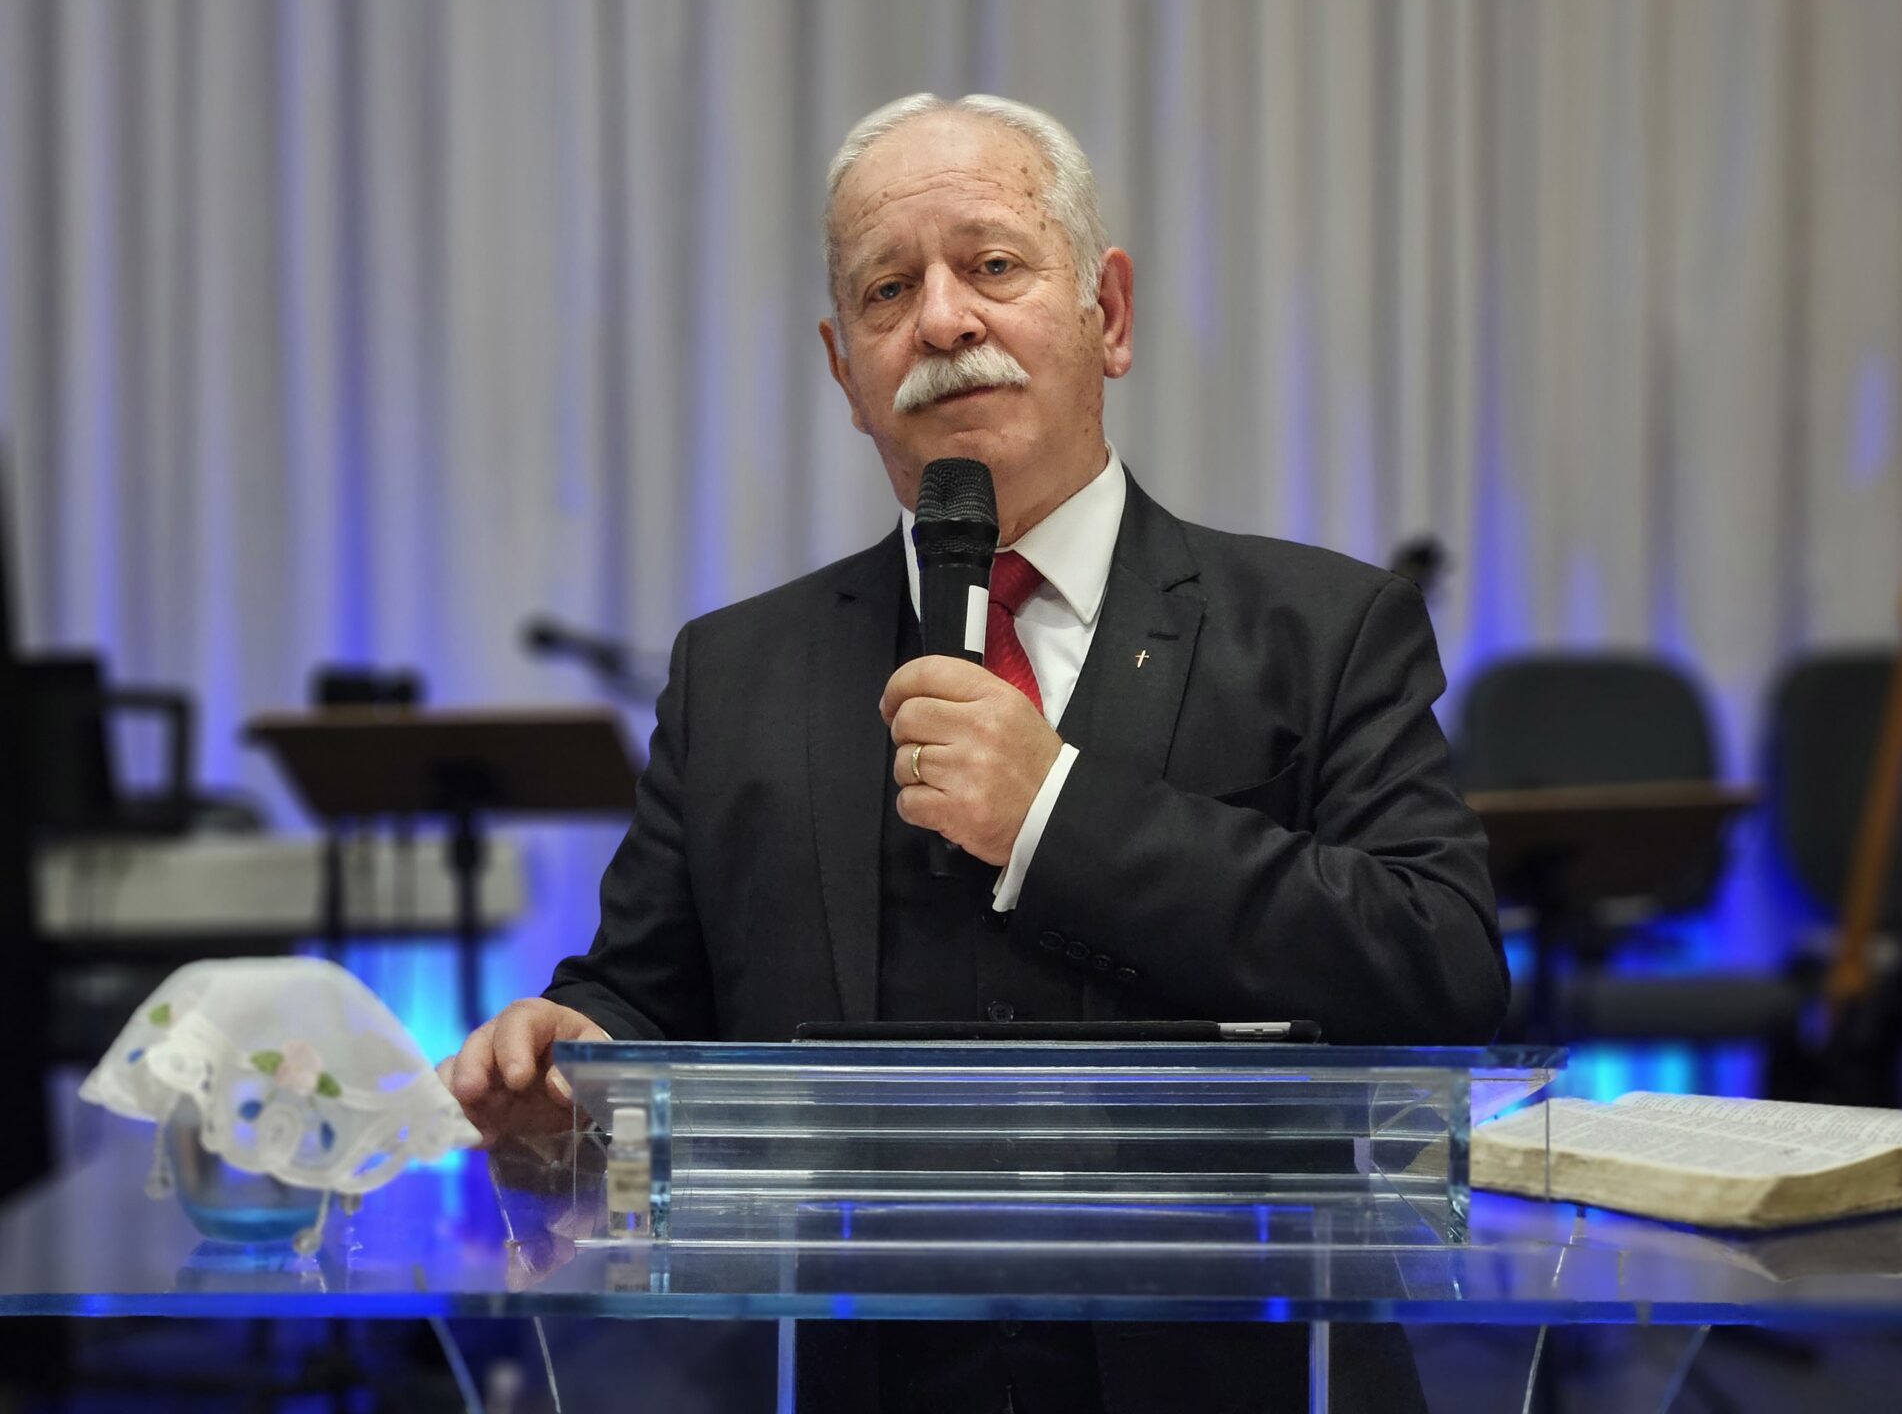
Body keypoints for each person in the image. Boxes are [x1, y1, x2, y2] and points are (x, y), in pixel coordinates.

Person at [446, 92, 1508, 1414]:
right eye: (888, 291)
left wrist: (1055, 809)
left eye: (994, 265)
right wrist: (575, 1059)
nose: (943, 322)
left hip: (1234, 1367)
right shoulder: (737, 670)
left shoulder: (1322, 629)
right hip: (842, 1369)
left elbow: (1440, 965)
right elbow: (646, 997)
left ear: (1108, 315)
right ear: (845, 370)